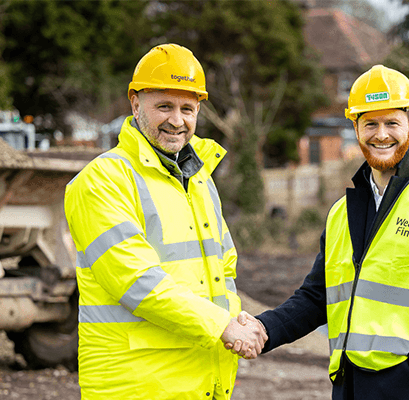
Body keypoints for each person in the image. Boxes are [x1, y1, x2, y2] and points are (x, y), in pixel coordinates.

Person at [229, 65, 409, 399]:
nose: (381, 134)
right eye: (370, 123)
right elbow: (317, 296)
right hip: (351, 388)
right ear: (355, 128)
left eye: (392, 123)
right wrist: (264, 328)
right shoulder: (341, 212)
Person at [64, 43, 266, 399]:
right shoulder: (102, 181)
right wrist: (223, 326)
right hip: (136, 386)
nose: (177, 120)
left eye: (187, 108)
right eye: (164, 106)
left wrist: (235, 320)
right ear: (135, 104)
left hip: (201, 383)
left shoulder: (199, 178)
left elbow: (225, 268)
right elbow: (137, 281)